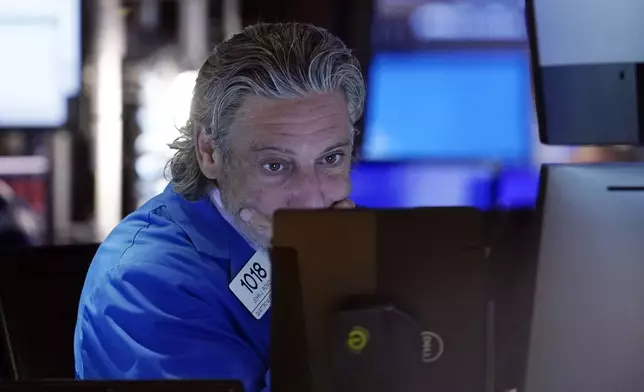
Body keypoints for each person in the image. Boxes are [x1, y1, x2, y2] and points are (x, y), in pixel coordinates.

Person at [73, 22, 365, 391]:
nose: (311, 197)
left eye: (330, 158)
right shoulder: (143, 283)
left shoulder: (348, 241)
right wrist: (331, 293)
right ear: (209, 152)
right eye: (275, 165)